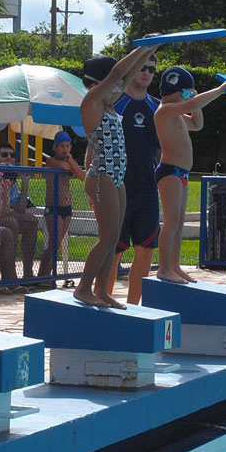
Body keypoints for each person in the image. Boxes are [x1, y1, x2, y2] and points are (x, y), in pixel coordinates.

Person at [75, 46, 158, 308]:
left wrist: (150, 50)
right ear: (99, 83)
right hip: (102, 177)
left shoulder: (108, 103)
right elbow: (118, 73)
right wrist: (143, 47)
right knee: (109, 238)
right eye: (114, 83)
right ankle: (83, 288)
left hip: (116, 177)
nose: (120, 87)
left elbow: (125, 74)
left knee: (112, 241)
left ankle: (102, 291)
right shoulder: (91, 101)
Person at [152, 68, 226, 284]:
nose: (190, 97)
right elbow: (189, 105)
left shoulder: (178, 114)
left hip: (182, 173)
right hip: (169, 171)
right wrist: (220, 90)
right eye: (186, 93)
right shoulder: (164, 111)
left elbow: (197, 124)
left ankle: (174, 266)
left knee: (179, 223)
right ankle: (163, 268)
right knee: (171, 222)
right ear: (174, 90)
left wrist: (193, 100)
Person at [107, 52, 161, 304]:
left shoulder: (157, 107)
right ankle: (104, 302)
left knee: (146, 250)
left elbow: (161, 148)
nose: (146, 73)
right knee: (113, 251)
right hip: (118, 189)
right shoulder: (115, 103)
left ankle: (133, 308)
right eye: (142, 67)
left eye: (151, 69)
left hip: (147, 190)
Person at [37, 130, 85, 281]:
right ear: (55, 147)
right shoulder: (50, 161)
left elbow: (83, 177)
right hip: (53, 208)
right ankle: (43, 276)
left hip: (67, 208)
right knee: (54, 242)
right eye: (62, 146)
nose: (65, 149)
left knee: (56, 244)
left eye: (68, 146)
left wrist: (72, 162)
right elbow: (64, 167)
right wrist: (71, 164)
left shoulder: (70, 162)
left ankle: (44, 276)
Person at [0, 143, 40, 281]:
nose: (9, 158)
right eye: (4, 155)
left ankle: (27, 274)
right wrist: (21, 216)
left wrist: (25, 185)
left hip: (8, 216)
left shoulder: (12, 178)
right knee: (11, 223)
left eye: (12, 155)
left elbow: (19, 208)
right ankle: (10, 277)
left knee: (31, 224)